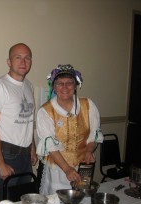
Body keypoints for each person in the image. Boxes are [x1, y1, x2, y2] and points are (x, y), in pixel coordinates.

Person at [36, 64, 103, 196]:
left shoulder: (88, 105)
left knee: (81, 202)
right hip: (57, 171)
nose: (65, 87)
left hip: (83, 167)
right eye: (60, 83)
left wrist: (89, 151)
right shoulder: (45, 111)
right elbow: (51, 147)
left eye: (69, 83)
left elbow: (93, 134)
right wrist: (67, 169)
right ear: (54, 87)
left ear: (75, 85)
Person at [0, 43, 37, 203]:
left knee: (22, 201)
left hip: (25, 155)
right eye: (18, 57)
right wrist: (0, 163)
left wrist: (32, 148)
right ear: (9, 61)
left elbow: (29, 120)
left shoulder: (28, 85)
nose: (23, 62)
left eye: (27, 58)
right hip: (7, 154)